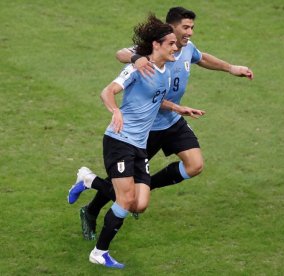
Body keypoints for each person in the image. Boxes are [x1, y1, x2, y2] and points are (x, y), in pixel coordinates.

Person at [73, 6, 254, 241]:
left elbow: (202, 58)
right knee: (123, 183)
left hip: (173, 119)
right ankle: (92, 209)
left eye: (192, 28)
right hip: (146, 128)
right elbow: (120, 54)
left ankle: (146, 186)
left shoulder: (186, 49)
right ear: (172, 28)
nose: (189, 32)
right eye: (185, 27)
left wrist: (232, 68)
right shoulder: (154, 49)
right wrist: (137, 59)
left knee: (195, 165)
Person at [67, 14, 204, 269]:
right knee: (126, 200)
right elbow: (107, 91)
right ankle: (99, 252)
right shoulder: (138, 68)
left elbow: (156, 99)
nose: (177, 48)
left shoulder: (164, 72)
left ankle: (88, 179)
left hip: (140, 144)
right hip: (119, 140)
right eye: (171, 44)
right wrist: (115, 111)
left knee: (139, 204)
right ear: (156, 45)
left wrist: (177, 107)